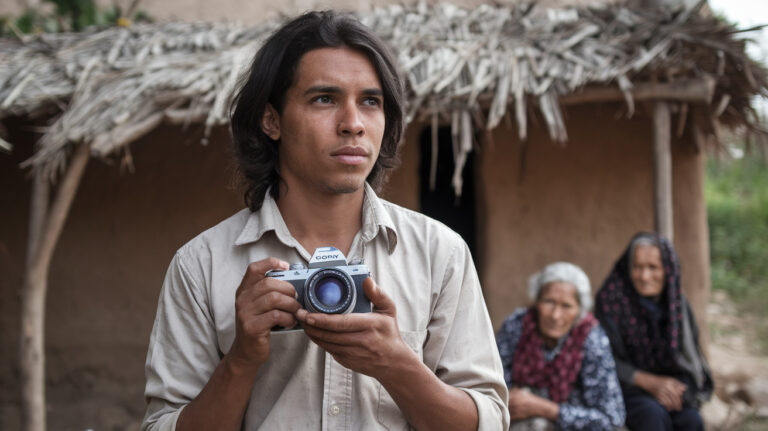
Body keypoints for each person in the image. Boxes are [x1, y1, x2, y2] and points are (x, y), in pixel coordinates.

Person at [141, 10, 508, 431]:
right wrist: (241, 360)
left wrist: (396, 364)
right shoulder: (201, 265)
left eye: (370, 101)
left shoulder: (440, 254)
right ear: (271, 119)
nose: (353, 124)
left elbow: (490, 422)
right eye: (324, 99)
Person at [595, 233, 713, 431]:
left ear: (667, 270)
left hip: (670, 386)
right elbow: (603, 358)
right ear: (627, 267)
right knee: (651, 416)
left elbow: (688, 359)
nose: (644, 276)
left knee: (691, 420)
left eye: (653, 267)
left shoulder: (677, 304)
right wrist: (648, 382)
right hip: (626, 387)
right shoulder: (610, 303)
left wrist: (674, 389)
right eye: (637, 267)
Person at [496, 262, 625, 430]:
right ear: (536, 302)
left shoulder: (592, 339)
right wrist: (508, 400)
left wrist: (545, 408)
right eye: (549, 302)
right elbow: (494, 382)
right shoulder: (517, 325)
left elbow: (611, 418)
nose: (556, 315)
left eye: (566, 306)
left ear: (580, 310)